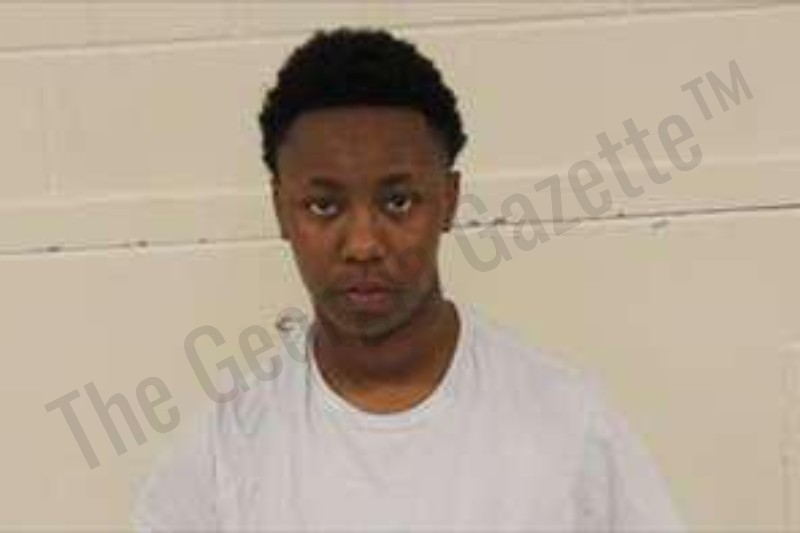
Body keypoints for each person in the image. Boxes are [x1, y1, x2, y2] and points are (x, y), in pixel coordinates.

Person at [132, 27, 684, 532]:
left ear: (449, 200)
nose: (363, 244)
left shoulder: (566, 424)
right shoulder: (226, 450)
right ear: (281, 210)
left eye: (398, 201)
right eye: (324, 206)